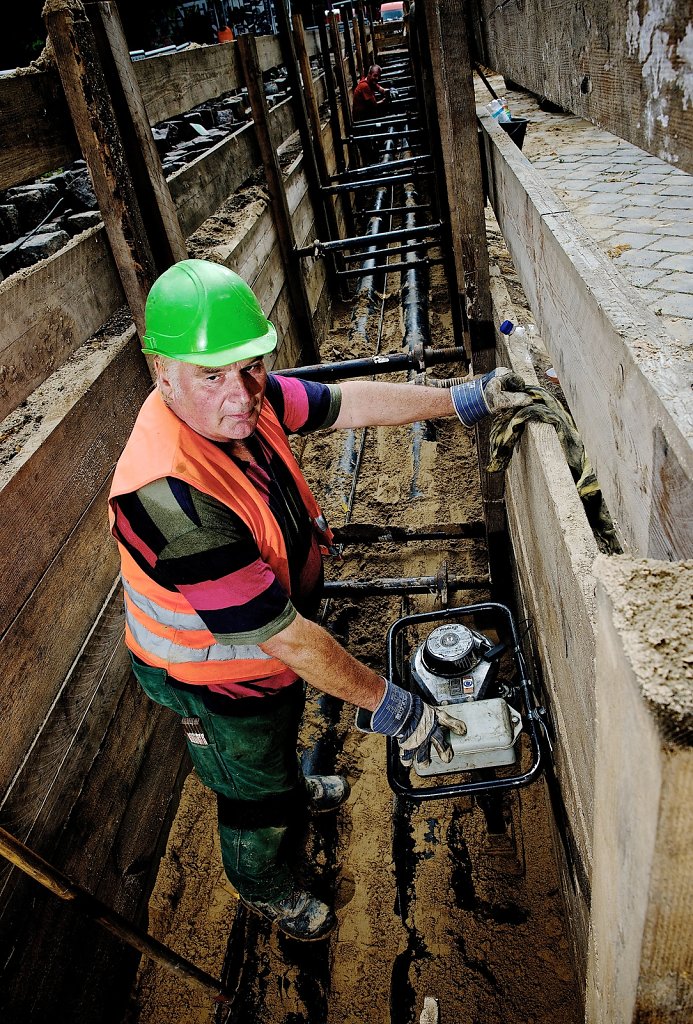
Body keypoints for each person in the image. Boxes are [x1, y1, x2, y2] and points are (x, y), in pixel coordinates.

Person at [109, 259, 531, 942]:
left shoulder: (245, 398)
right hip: (215, 680)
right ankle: (265, 886)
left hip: (267, 652)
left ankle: (292, 784)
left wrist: (460, 398)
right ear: (163, 374)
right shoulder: (169, 497)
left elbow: (346, 403)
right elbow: (286, 639)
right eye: (211, 375)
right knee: (253, 793)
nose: (241, 393)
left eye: (249, 366)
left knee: (280, 733)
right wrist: (395, 709)